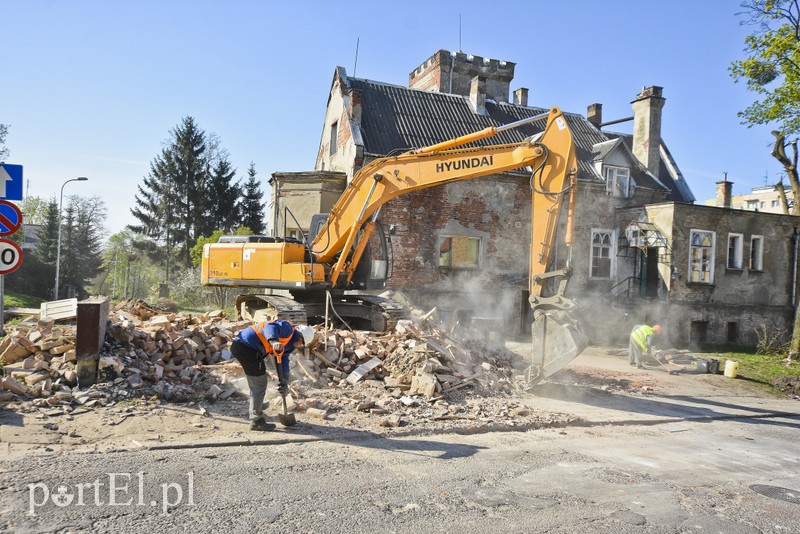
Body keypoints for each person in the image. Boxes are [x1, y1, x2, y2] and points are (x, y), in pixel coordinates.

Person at [230, 320, 315, 431]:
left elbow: (283, 361)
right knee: (259, 384)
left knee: (258, 382)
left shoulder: (289, 346)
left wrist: (284, 380)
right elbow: (270, 326)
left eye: (301, 345)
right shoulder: (287, 328)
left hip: (249, 349)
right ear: (299, 336)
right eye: (301, 342)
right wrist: (273, 340)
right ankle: (256, 421)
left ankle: (257, 408)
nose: (299, 345)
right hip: (245, 346)